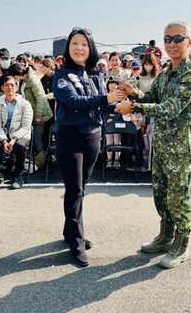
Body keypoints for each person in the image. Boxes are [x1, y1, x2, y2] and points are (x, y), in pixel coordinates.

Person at [120, 21, 191, 269]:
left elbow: (170, 109)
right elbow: (152, 98)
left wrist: (135, 107)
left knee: (179, 198)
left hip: (178, 147)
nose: (172, 43)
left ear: (190, 42)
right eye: (167, 38)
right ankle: (166, 237)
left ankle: (182, 244)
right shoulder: (166, 73)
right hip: (161, 144)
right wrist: (136, 94)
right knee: (161, 194)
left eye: (178, 38)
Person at [53, 27, 126, 267]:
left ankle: (69, 231)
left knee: (81, 189)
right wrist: (106, 99)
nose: (79, 48)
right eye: (75, 43)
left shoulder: (96, 75)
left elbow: (102, 107)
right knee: (74, 190)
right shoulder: (61, 74)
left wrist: (117, 105)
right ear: (68, 47)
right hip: (70, 137)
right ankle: (76, 242)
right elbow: (73, 101)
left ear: (90, 48)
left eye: (84, 44)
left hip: (93, 136)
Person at [0, 75, 33, 191]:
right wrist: (4, 140)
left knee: (20, 145)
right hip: (3, 135)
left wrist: (13, 140)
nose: (10, 88)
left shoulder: (25, 104)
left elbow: (26, 126)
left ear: (16, 88)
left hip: (20, 135)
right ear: (2, 87)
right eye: (6, 85)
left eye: (12, 85)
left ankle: (18, 175)